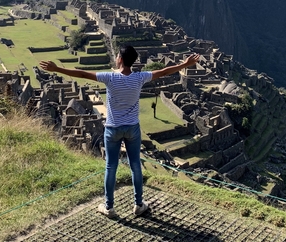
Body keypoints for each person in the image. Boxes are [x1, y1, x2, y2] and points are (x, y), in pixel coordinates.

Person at [39, 45, 200, 218]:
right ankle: (138, 204)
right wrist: (184, 64)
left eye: (117, 56)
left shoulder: (110, 77)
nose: (115, 57)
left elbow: (83, 74)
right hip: (132, 128)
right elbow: (164, 72)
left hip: (113, 128)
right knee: (135, 165)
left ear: (121, 59)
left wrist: (56, 69)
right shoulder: (139, 77)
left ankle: (109, 207)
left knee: (111, 166)